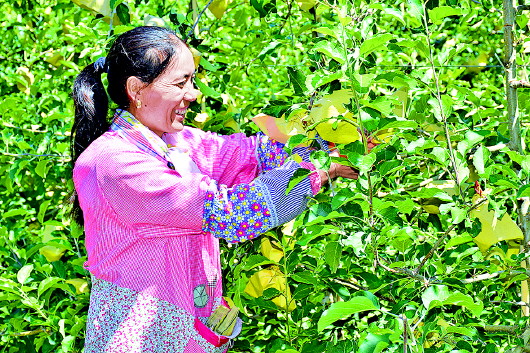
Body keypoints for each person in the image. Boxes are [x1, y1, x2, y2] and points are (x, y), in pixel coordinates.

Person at [71, 26, 358, 353]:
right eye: (180, 83)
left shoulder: (174, 142)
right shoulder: (115, 164)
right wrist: (319, 170)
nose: (192, 94)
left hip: (184, 335)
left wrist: (328, 141)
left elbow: (249, 156)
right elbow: (233, 213)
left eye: (192, 80)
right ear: (137, 90)